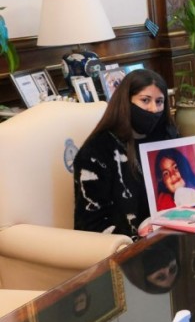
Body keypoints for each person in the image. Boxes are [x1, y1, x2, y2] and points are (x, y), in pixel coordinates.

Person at [74, 69, 178, 238]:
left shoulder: (167, 135)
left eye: (160, 102)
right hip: (129, 246)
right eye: (145, 100)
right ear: (126, 101)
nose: (153, 109)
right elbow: (90, 223)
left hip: (173, 231)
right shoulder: (97, 151)